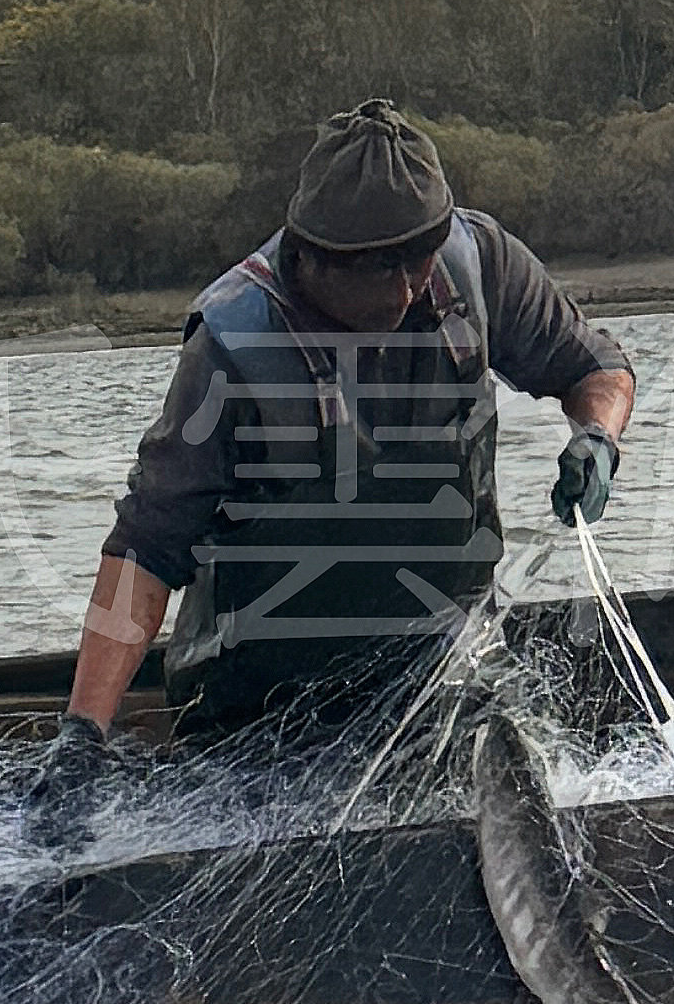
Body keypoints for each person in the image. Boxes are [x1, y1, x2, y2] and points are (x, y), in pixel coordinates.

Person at [52, 98, 635, 759]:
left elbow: (594, 367)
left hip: (444, 676)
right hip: (260, 708)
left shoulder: (479, 263)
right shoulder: (232, 345)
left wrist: (597, 437)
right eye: (380, 270)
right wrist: (82, 732)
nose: (406, 291)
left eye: (419, 260)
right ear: (314, 258)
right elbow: (145, 548)